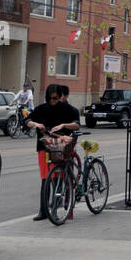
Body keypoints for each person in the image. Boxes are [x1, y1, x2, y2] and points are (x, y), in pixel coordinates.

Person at [25, 83, 80, 220]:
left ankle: (54, 210)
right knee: (45, 179)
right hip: (44, 146)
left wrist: (63, 125)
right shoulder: (41, 109)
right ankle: (43, 211)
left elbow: (77, 124)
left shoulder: (68, 109)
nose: (53, 101)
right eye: (50, 98)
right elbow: (27, 120)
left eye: (55, 98)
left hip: (60, 147)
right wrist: (37, 124)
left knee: (57, 179)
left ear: (60, 96)